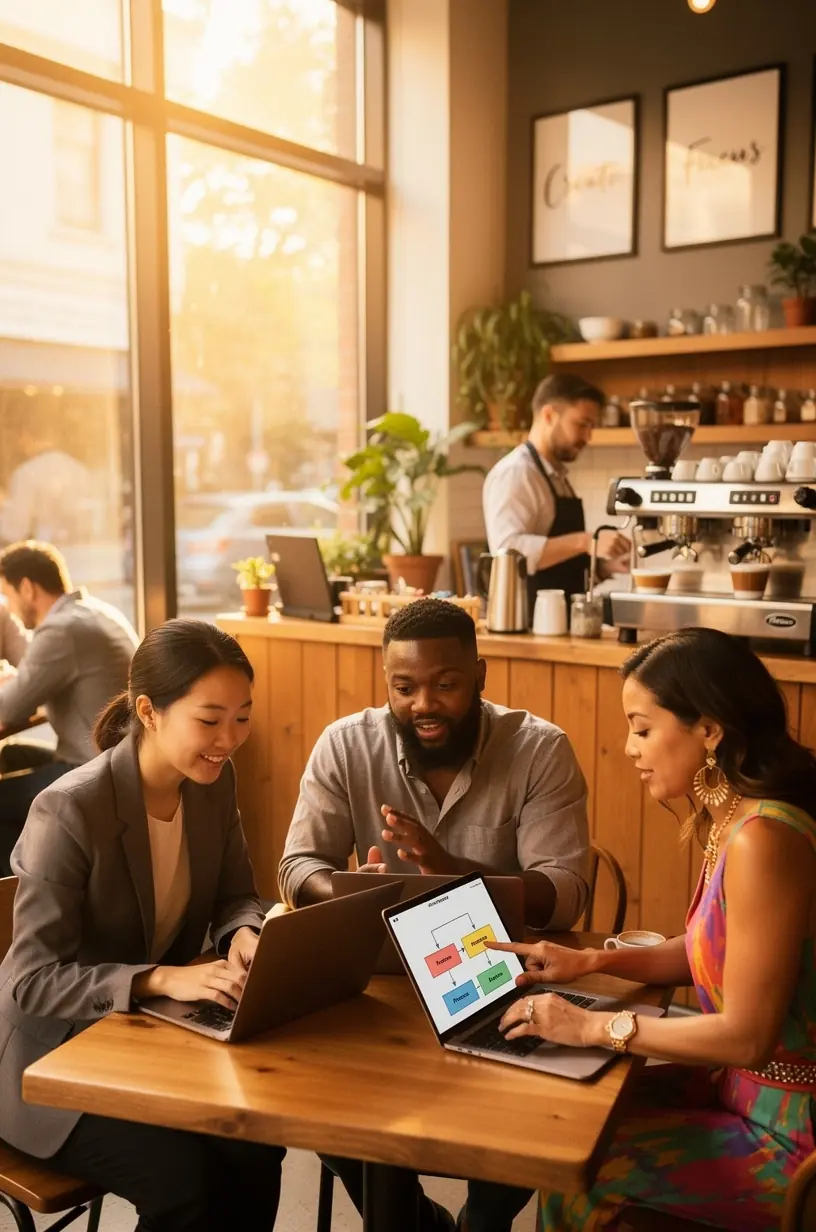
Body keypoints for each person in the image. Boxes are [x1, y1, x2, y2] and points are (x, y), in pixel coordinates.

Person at [486, 628, 816, 1232]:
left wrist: (594, 1025)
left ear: (709, 730)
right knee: (570, 1118)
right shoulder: (736, 821)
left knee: (574, 1171)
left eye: (642, 728)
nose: (629, 747)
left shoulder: (764, 839)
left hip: (793, 1140)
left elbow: (748, 1037)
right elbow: (703, 952)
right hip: (739, 1094)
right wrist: (588, 963)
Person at [279, 597, 590, 1232]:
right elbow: (296, 866)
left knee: (532, 1110)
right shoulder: (345, 746)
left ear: (480, 674)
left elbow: (566, 893)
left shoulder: (538, 749)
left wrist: (448, 867)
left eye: (445, 684)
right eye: (405, 687)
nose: (424, 703)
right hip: (377, 989)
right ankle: (413, 1222)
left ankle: (482, 1221)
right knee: (309, 1097)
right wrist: (343, 891)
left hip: (500, 985)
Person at [0, 618, 285, 1231]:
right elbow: (31, 980)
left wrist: (242, 934)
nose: (229, 738)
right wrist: (158, 980)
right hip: (50, 1063)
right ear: (150, 711)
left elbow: (237, 895)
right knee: (185, 1183)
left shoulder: (212, 782)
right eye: (209, 720)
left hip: (147, 1045)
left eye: (243, 716)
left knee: (257, 1146)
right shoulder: (69, 809)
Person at [0, 540, 138, 871]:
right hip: (124, 761)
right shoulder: (97, 612)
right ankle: (45, 855)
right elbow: (32, 677)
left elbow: (7, 710)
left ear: (28, 588)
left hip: (94, 771)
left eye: (9, 595)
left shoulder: (61, 631)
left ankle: (14, 899)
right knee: (11, 754)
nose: (11, 608)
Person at [482, 373, 631, 619]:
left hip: (558, 623)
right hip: (528, 626)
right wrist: (587, 541)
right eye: (582, 424)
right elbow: (508, 552)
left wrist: (603, 567)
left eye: (592, 427)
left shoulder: (556, 476)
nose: (588, 437)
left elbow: (558, 567)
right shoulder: (516, 473)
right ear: (549, 415)